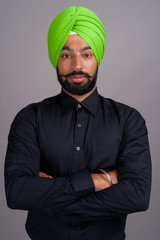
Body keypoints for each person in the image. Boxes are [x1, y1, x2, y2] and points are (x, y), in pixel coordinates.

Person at [4, 6, 151, 240]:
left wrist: (52, 201)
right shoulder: (29, 118)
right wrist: (101, 180)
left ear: (97, 57)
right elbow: (17, 192)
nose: (77, 66)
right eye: (66, 55)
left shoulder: (128, 119)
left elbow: (138, 196)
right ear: (55, 59)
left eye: (86, 54)